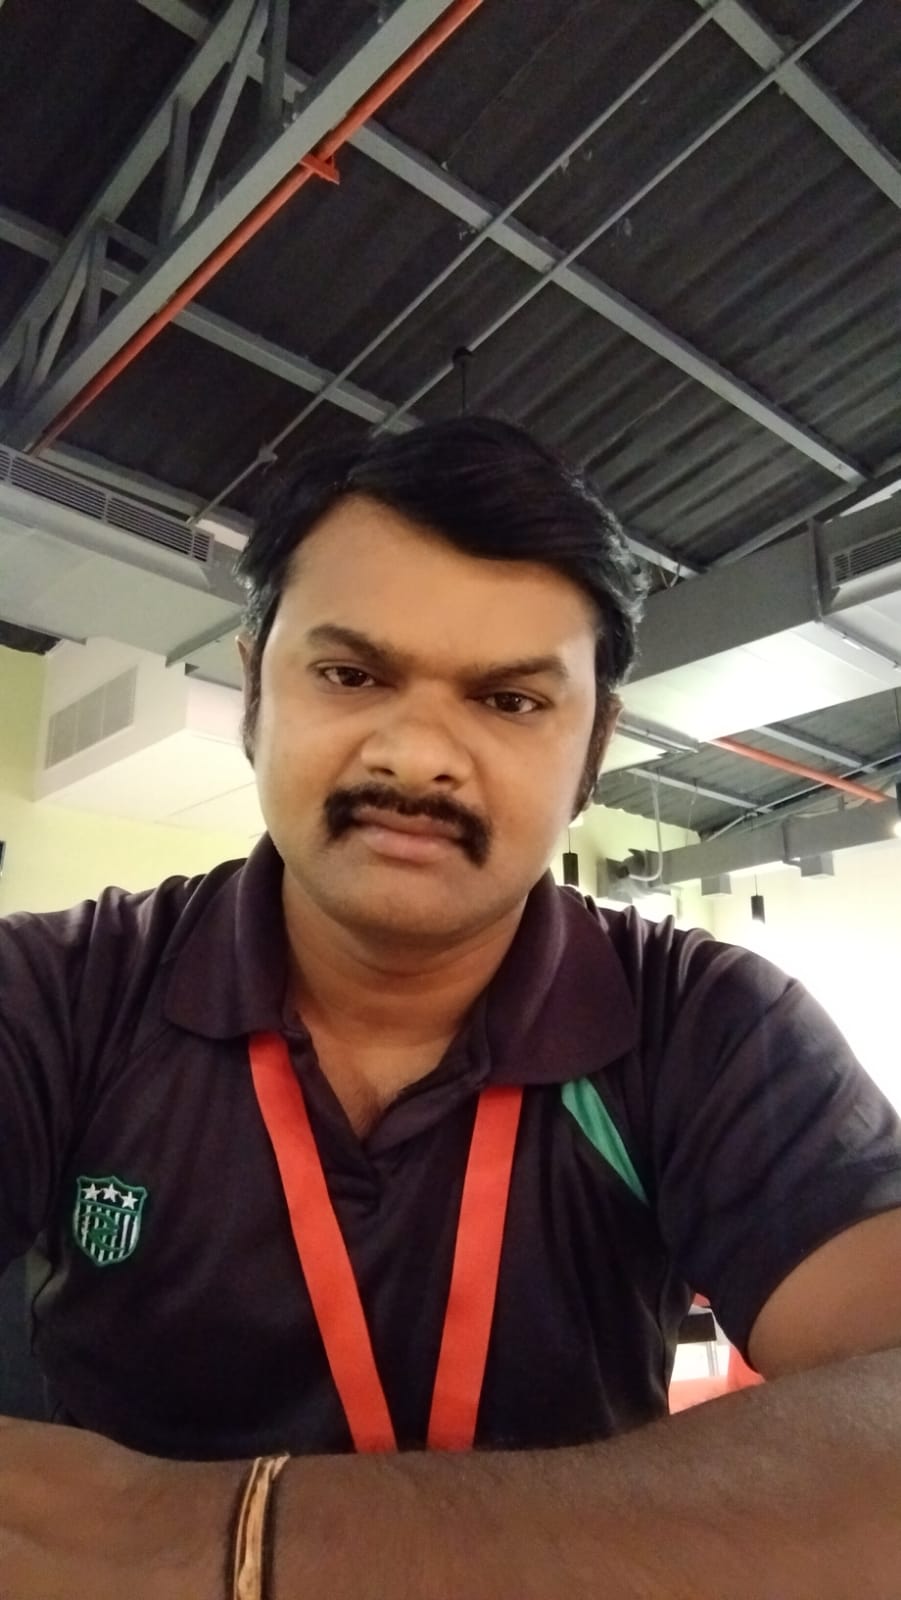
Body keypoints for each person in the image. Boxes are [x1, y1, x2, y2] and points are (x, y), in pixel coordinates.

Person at [1, 415, 900, 1599]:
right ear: (255, 690)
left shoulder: (712, 1025)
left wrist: (218, 1537)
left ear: (594, 746)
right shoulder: (56, 991)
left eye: (510, 700)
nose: (420, 754)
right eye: (352, 674)